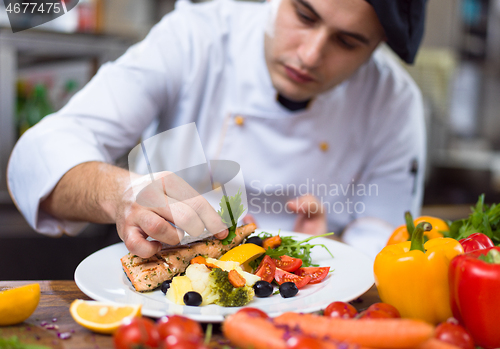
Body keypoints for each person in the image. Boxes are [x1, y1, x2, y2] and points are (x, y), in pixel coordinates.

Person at [8, 0, 428, 259]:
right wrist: (122, 194)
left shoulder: (393, 100)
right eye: (303, 13)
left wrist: (329, 255)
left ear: (377, 46)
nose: (310, 54)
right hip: (174, 304)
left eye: (348, 42)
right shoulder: (195, 37)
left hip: (308, 313)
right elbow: (41, 151)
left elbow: (385, 238)